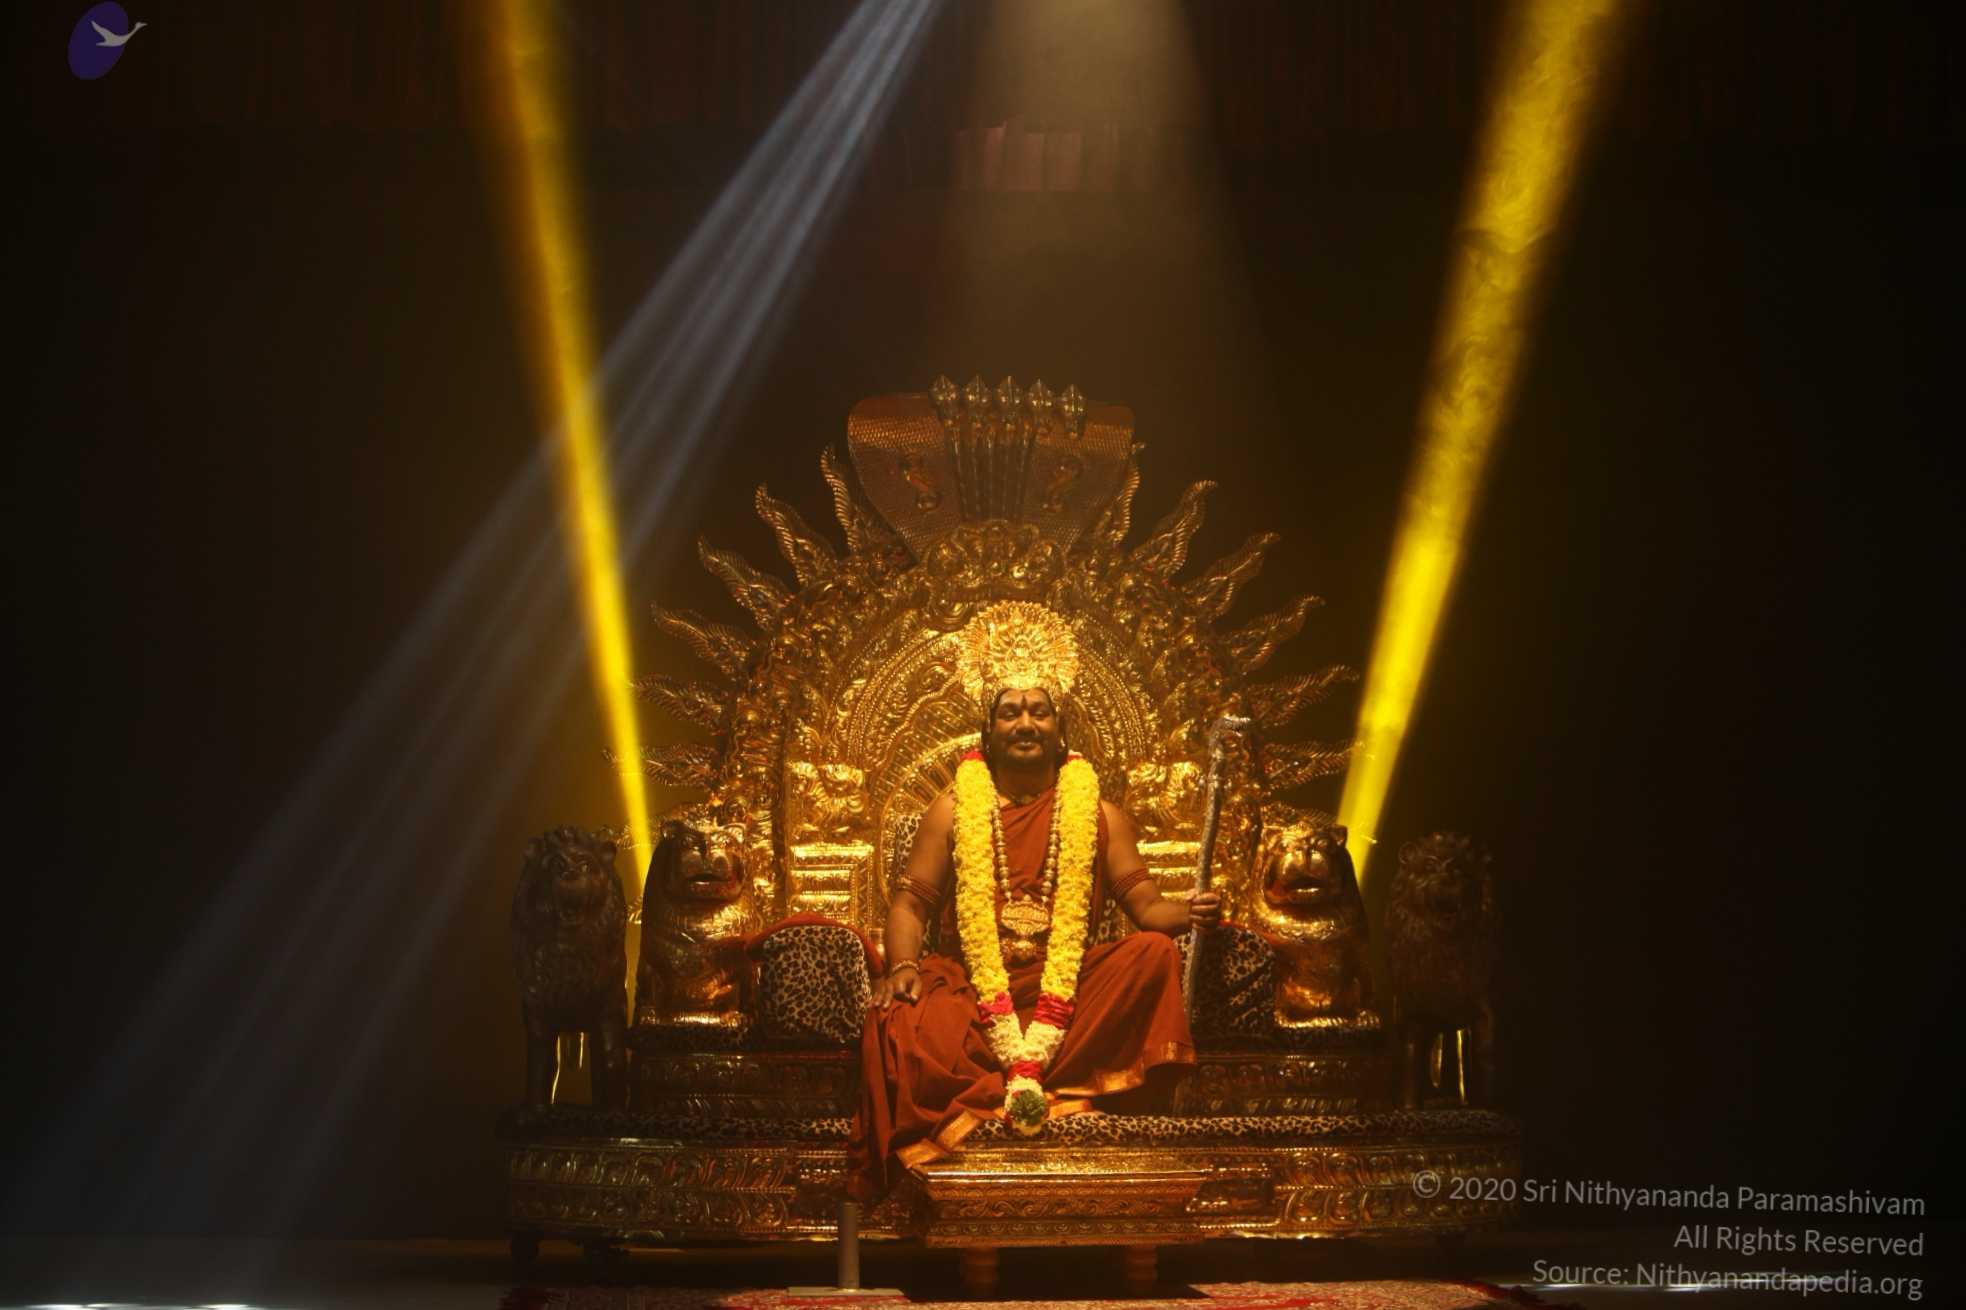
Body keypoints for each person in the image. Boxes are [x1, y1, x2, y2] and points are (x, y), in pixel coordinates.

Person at [849, 603, 1222, 1201]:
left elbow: (1147, 908)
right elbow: (911, 904)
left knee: (1154, 955)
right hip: (975, 992)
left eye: (1038, 711)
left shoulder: (1100, 814)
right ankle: (1040, 1088)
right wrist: (903, 966)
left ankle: (1048, 1085)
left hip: (1069, 992)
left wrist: (1189, 912)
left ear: (1059, 729)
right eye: (1010, 712)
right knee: (901, 1019)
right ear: (989, 731)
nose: (1025, 722)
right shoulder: (952, 809)